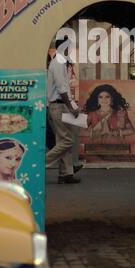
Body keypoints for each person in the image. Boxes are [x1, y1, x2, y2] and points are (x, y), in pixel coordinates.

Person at [46, 34, 81, 184]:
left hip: (59, 105)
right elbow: (61, 89)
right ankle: (43, 162)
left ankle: (65, 174)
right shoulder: (59, 63)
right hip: (59, 105)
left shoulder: (59, 62)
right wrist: (70, 107)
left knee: (62, 139)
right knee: (68, 141)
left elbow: (64, 87)